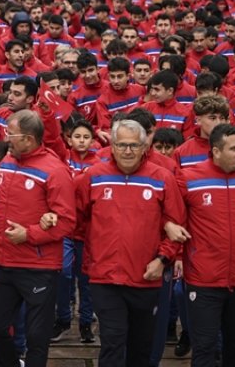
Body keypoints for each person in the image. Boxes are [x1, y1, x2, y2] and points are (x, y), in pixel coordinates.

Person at [0, 109, 75, 367]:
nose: (6, 139)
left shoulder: (55, 171)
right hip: (4, 262)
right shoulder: (8, 161)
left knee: (36, 337)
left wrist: (28, 234)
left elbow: (66, 221)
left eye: (11, 134)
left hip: (38, 267)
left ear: (28, 139)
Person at [74, 119, 184, 367]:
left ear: (145, 147)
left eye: (134, 146)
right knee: (112, 340)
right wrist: (96, 250)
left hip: (146, 276)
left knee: (140, 347)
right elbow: (76, 219)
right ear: (111, 146)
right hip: (105, 278)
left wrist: (162, 259)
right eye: (122, 145)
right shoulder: (93, 177)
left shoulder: (162, 178)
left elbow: (176, 225)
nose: (127, 151)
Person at [173, 124, 235, 367]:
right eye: (233, 148)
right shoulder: (189, 178)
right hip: (203, 278)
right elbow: (172, 217)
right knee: (204, 348)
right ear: (215, 151)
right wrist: (176, 254)